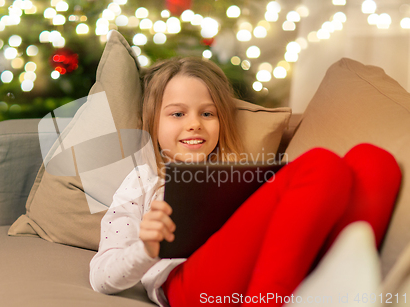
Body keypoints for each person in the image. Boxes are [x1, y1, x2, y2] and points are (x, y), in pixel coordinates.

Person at [89, 57, 401, 306]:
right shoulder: (143, 180)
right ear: (153, 122)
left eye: (207, 114)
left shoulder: (242, 171)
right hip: (187, 284)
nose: (194, 124)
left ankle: (339, 291)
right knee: (321, 164)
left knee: (375, 161)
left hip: (271, 267)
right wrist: (146, 249)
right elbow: (101, 277)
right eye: (177, 114)